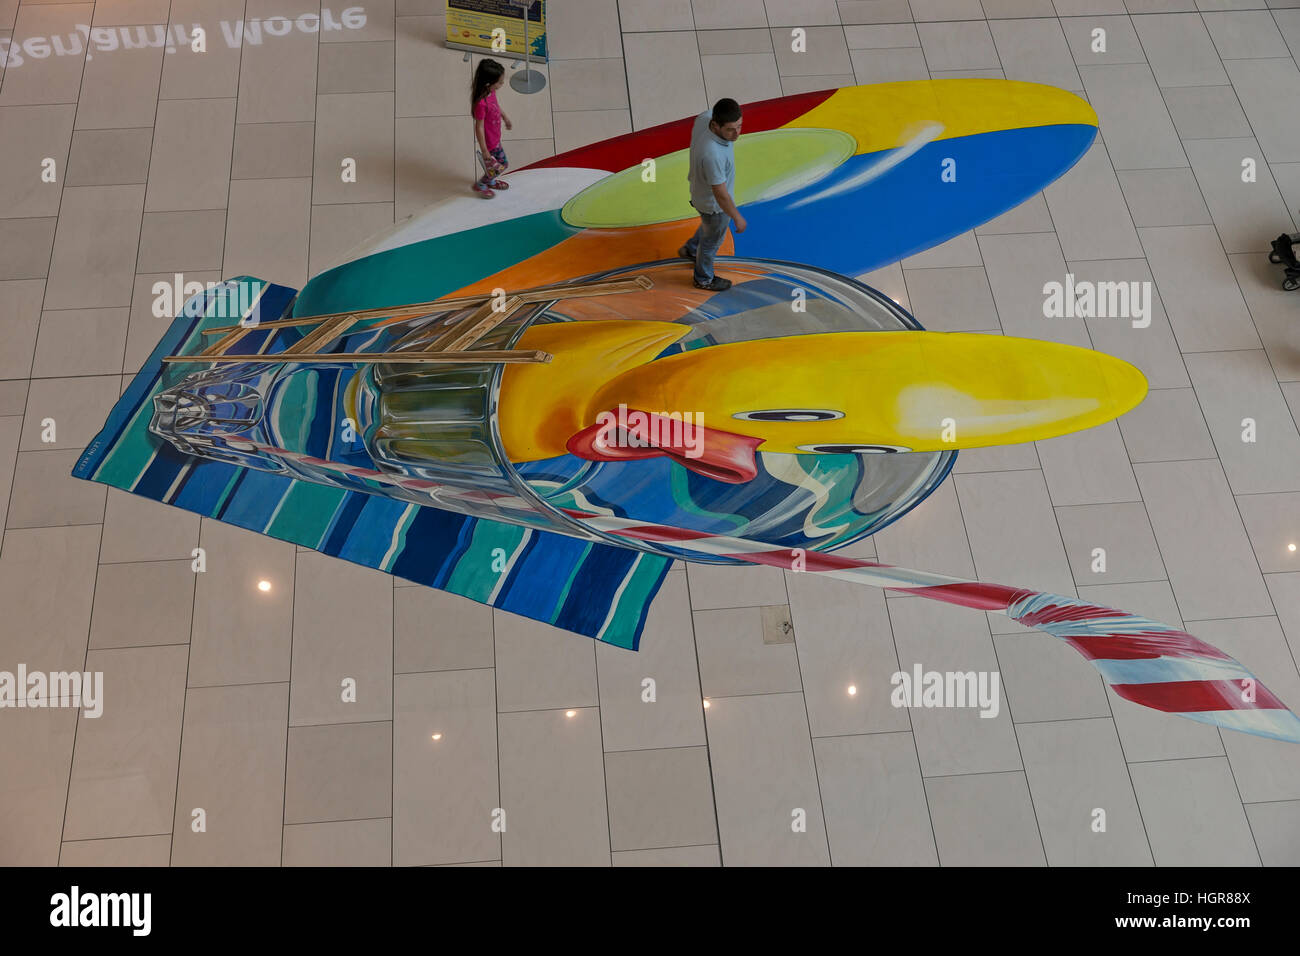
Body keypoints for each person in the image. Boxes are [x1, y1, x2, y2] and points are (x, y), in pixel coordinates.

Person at [679, 97, 746, 291]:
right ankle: (703, 279)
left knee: (708, 229)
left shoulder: (705, 118)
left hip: (700, 195)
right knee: (711, 242)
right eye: (730, 130)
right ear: (716, 125)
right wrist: (737, 217)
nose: (736, 134)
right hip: (715, 207)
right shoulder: (713, 154)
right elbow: (721, 194)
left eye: (740, 126)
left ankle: (691, 249)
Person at [471, 59, 513, 198]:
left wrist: (505, 117)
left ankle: (491, 180)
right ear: (488, 83)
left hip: (495, 137)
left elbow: (496, 106)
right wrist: (484, 151)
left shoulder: (491, 92)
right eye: (500, 82)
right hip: (490, 143)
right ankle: (482, 183)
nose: (502, 84)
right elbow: (479, 127)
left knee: (494, 166)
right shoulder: (481, 104)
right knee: (503, 164)